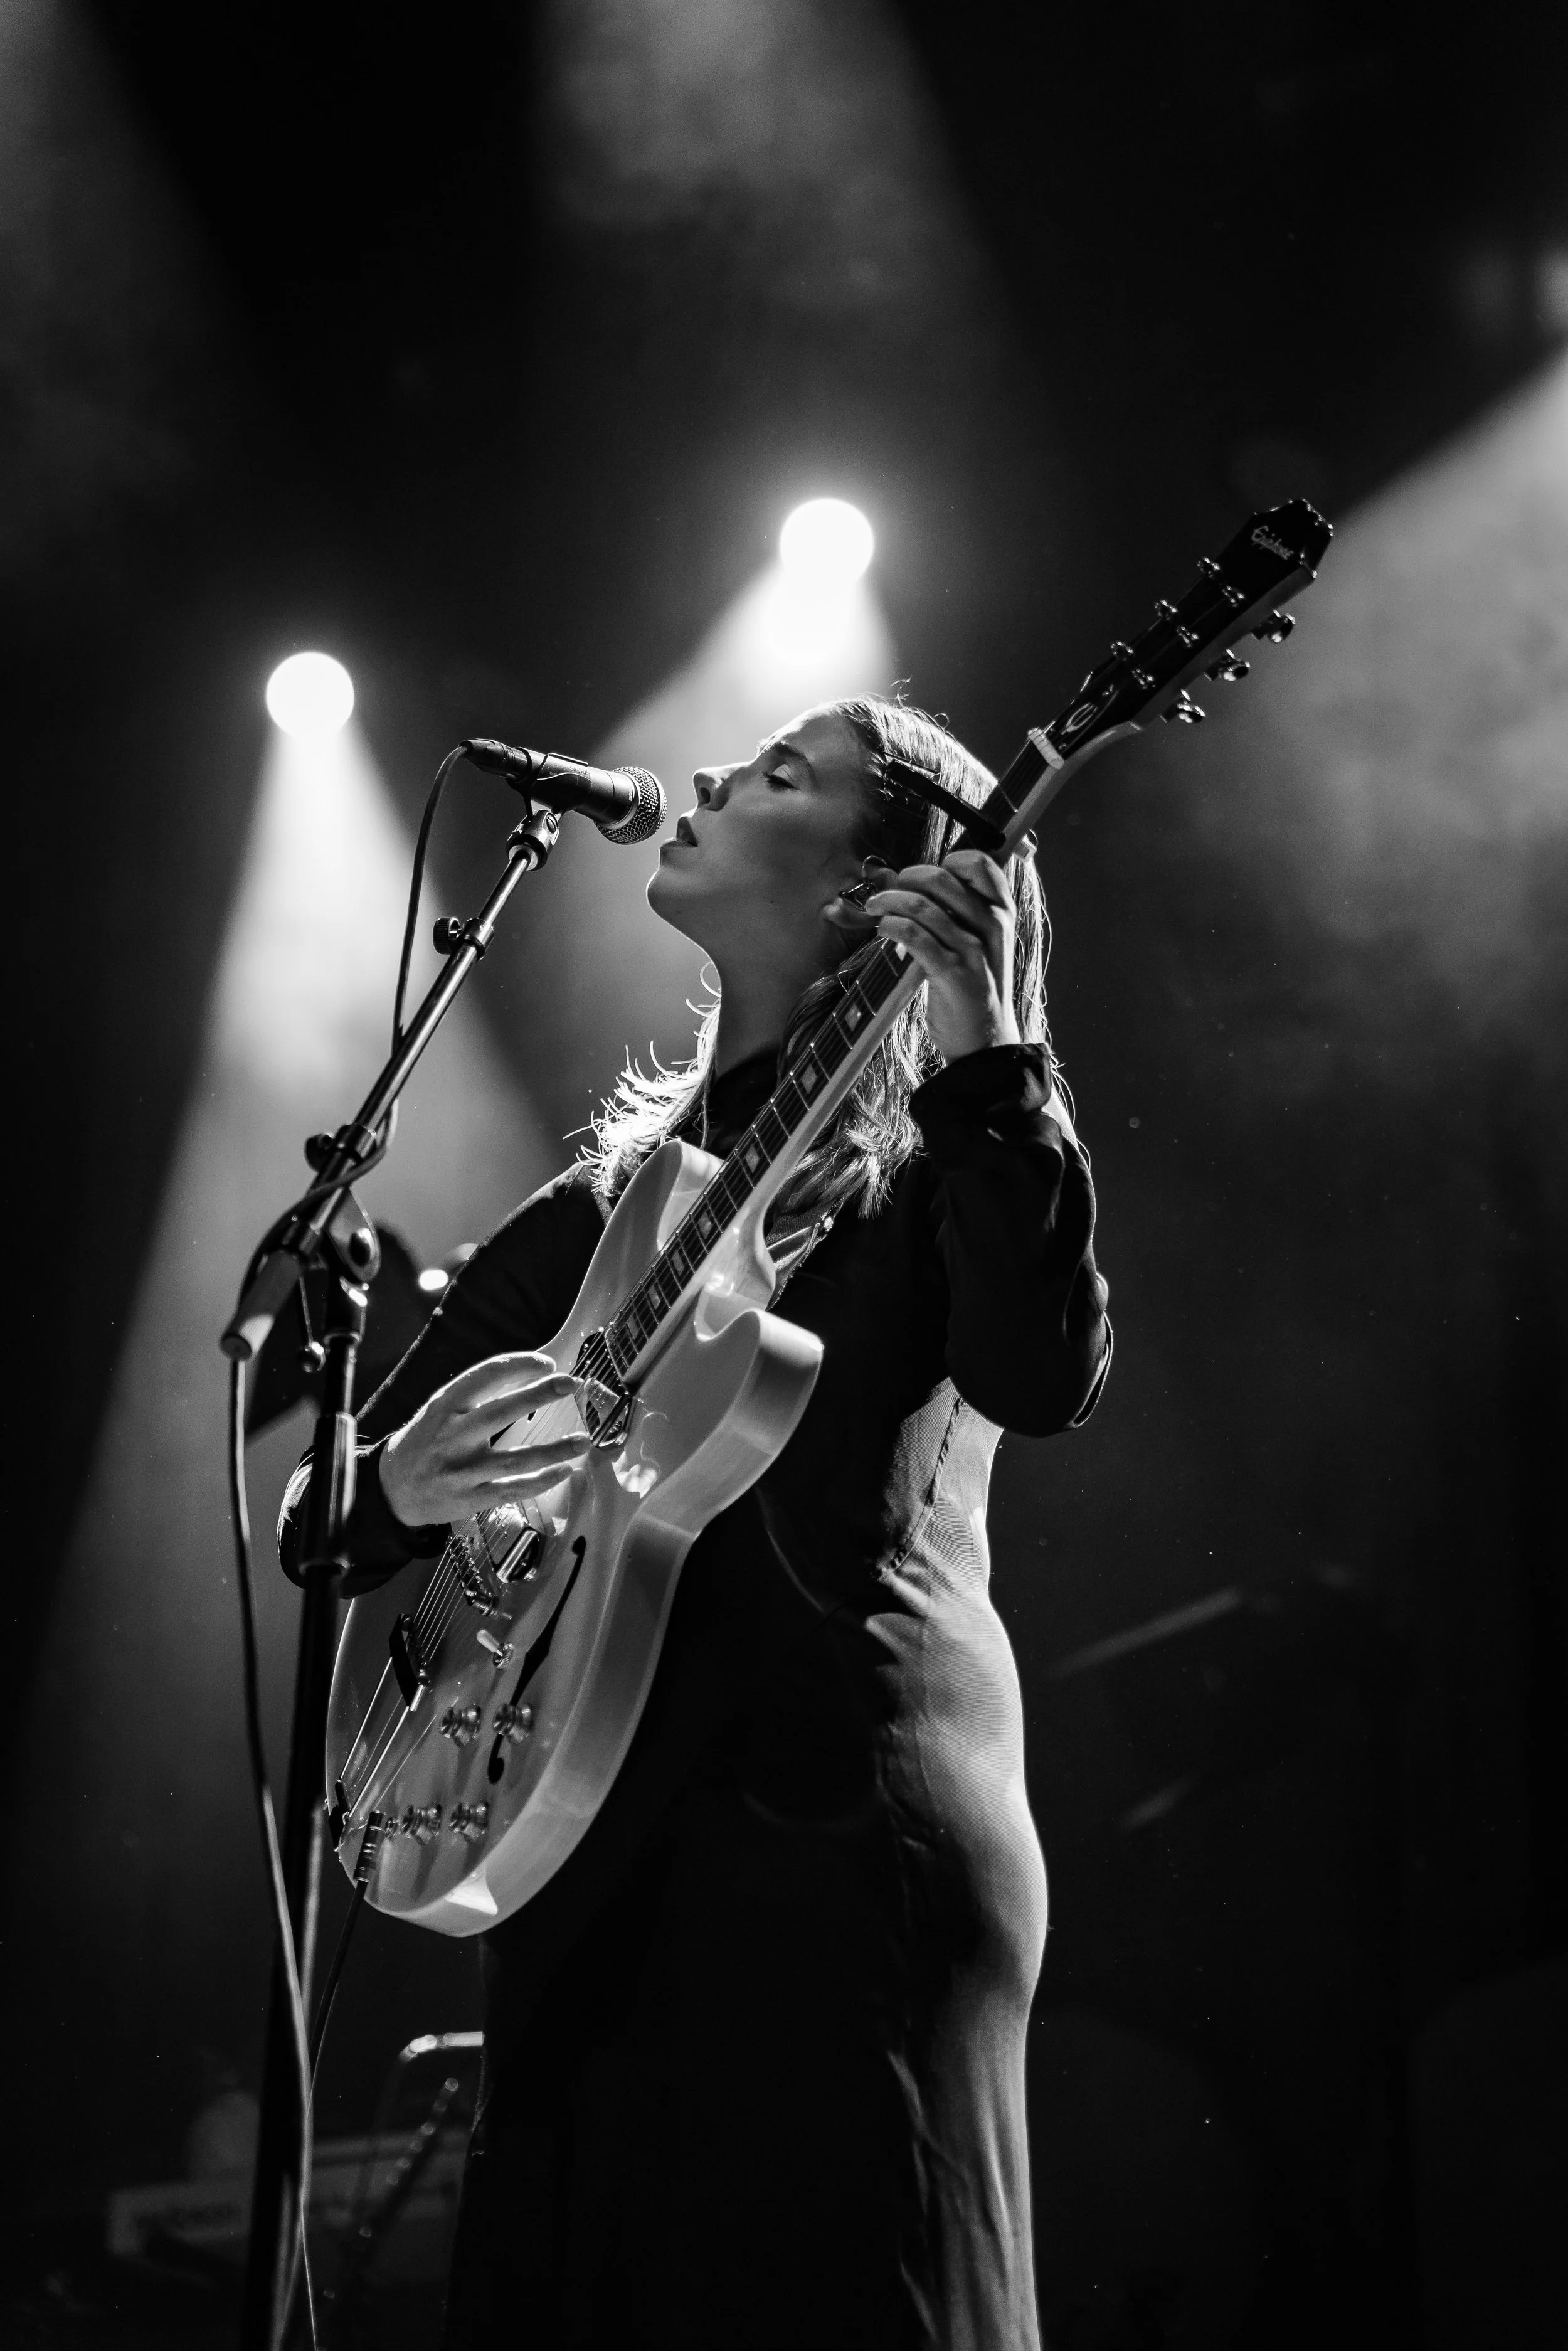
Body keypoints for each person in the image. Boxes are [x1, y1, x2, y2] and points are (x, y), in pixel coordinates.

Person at [281, 692, 1111, 2349]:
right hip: (583, 1826)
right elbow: (333, 1528)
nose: (717, 773)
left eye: (784, 774)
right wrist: (398, 1481)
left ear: (877, 882)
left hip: (834, 1836)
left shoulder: (937, 1159)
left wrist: (993, 1055)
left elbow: (1042, 1370)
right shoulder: (605, 1209)